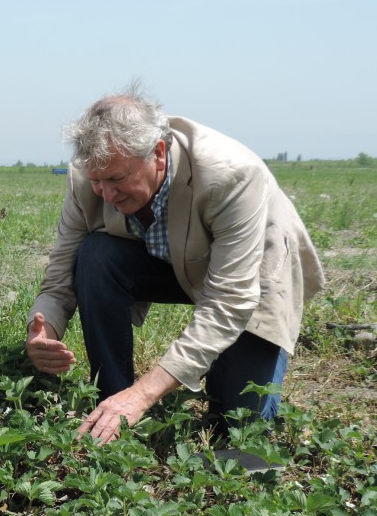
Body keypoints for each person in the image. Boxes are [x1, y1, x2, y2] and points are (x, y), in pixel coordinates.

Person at [26, 84, 324, 445]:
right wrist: (42, 332)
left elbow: (230, 299)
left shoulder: (230, 175)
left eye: (118, 178)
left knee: (238, 426)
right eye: (97, 180)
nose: (106, 193)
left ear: (159, 154)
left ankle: (136, 400)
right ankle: (110, 399)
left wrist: (145, 394)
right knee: (96, 256)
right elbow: (60, 275)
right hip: (172, 259)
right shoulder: (88, 180)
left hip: (252, 275)